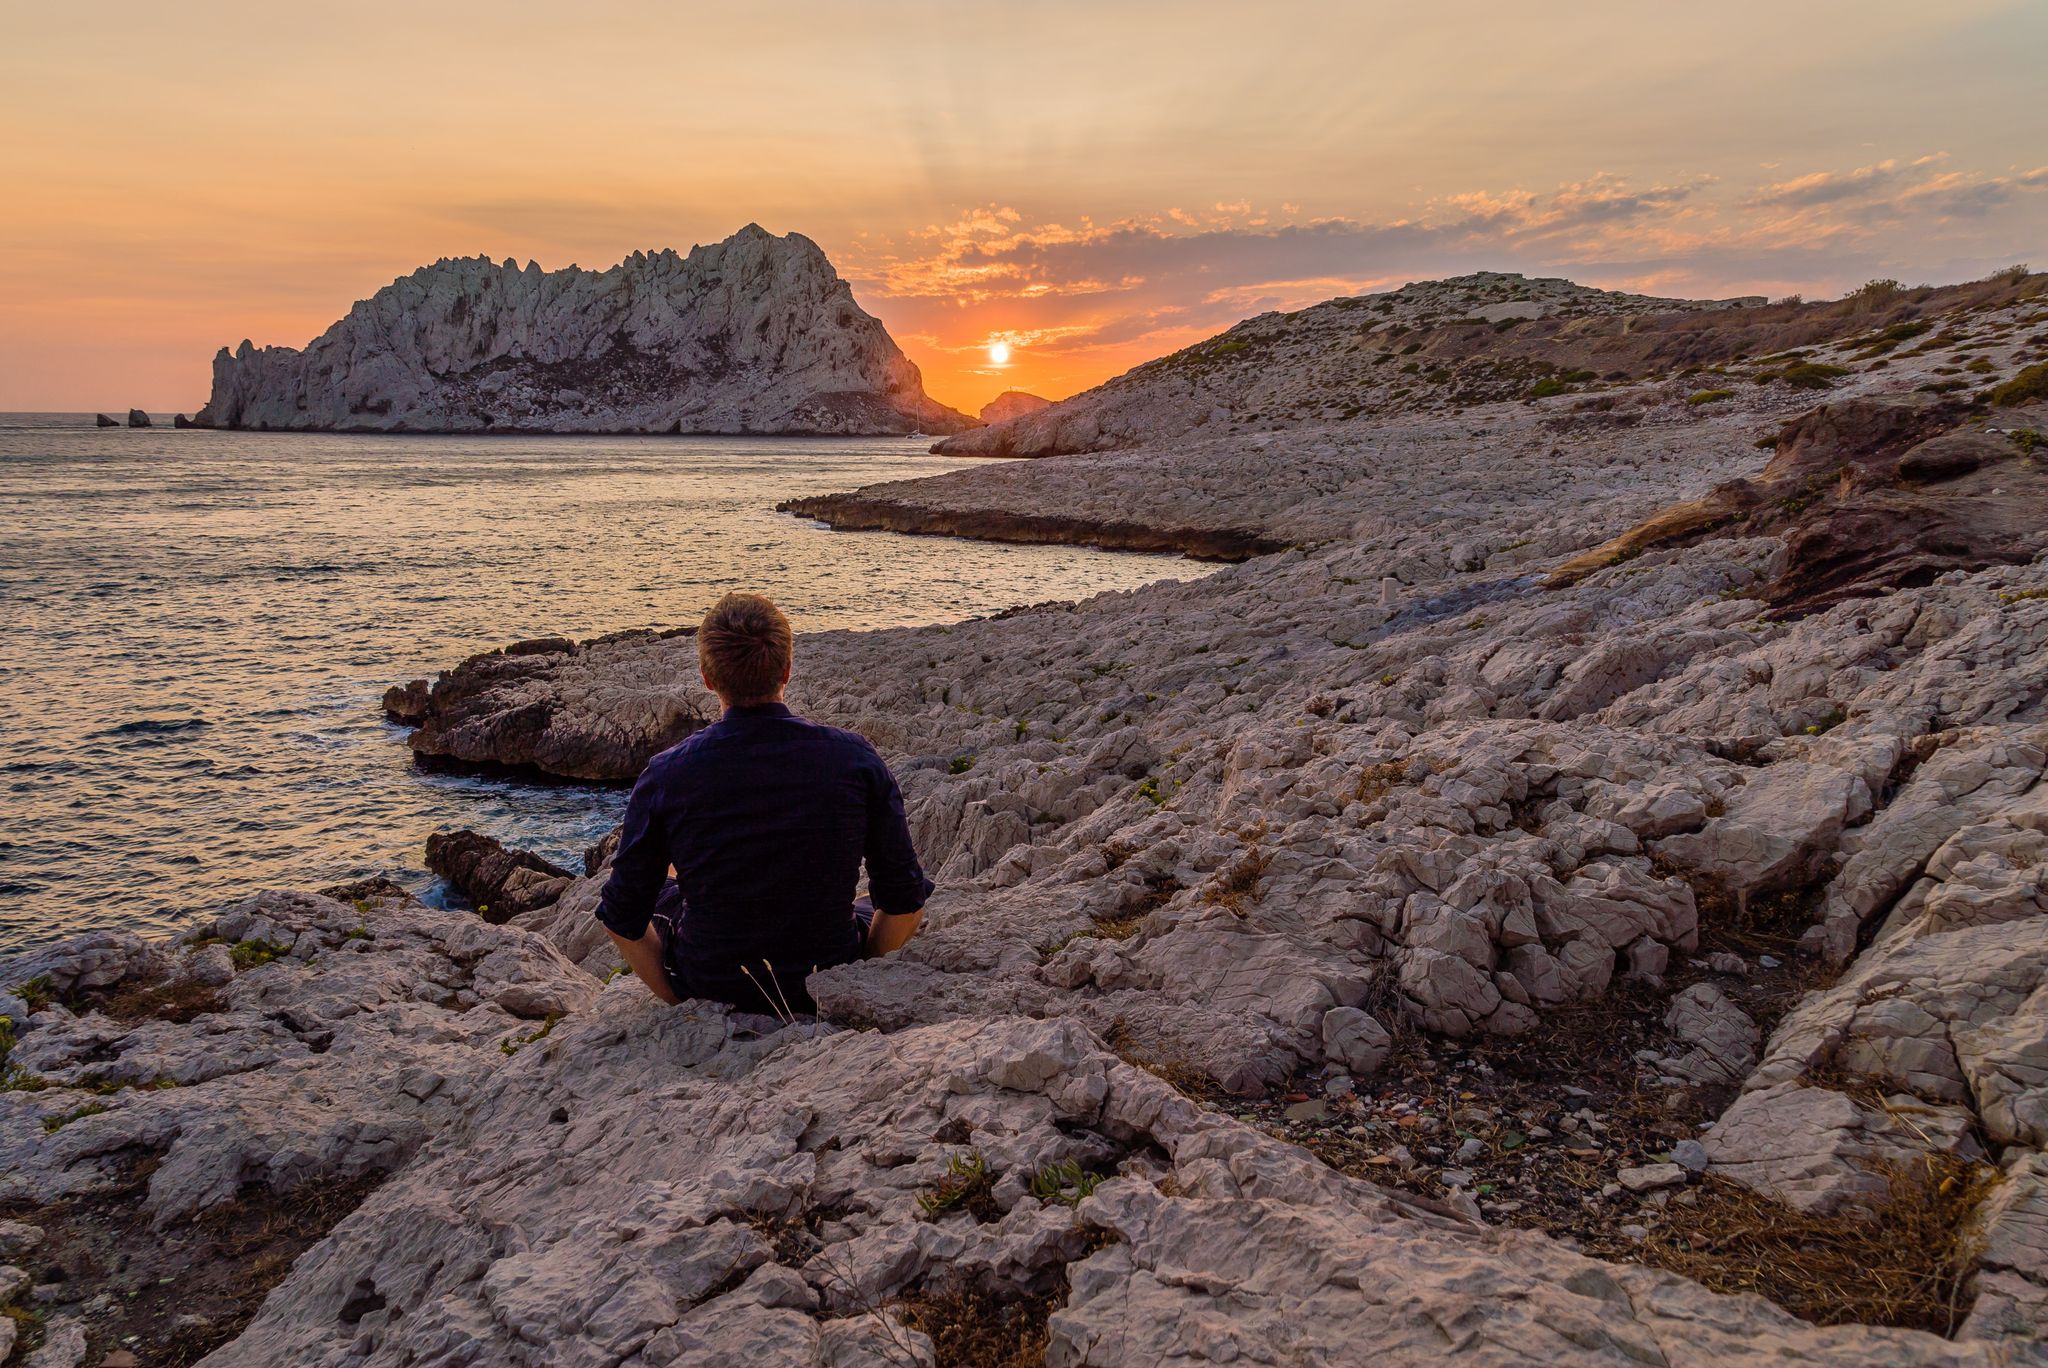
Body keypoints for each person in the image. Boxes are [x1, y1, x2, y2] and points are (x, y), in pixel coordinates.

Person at [594, 592, 931, 1015]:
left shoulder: (668, 774)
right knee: (872, 899)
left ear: (707, 678)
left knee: (665, 886)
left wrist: (680, 998)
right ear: (787, 670)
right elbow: (905, 899)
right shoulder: (854, 760)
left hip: (711, 980)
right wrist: (856, 973)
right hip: (826, 970)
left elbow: (620, 917)